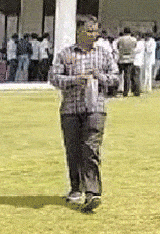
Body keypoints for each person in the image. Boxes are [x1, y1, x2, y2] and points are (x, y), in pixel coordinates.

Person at [50, 16, 119, 214]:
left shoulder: (104, 55)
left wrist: (100, 76)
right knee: (73, 150)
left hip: (95, 108)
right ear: (79, 31)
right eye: (89, 31)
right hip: (71, 108)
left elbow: (115, 78)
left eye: (96, 31)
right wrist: (74, 80)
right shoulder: (65, 54)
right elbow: (54, 78)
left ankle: (92, 192)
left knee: (91, 148)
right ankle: (75, 187)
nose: (93, 35)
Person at [114, 28, 139, 96]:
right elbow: (135, 48)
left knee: (118, 75)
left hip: (121, 59)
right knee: (127, 76)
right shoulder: (133, 39)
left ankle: (116, 90)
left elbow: (116, 48)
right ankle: (126, 91)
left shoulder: (120, 39)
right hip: (130, 59)